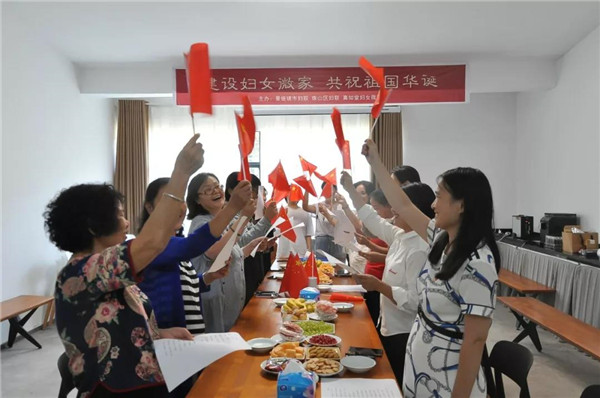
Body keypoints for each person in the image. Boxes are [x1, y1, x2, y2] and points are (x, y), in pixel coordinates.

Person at [46, 135, 249, 397]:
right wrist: (182, 171)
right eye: (119, 215)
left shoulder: (109, 271)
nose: (127, 223)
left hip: (151, 377)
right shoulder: (79, 273)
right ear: (93, 226)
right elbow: (154, 243)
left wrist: (159, 333)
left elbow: (122, 321)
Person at [362, 139, 500, 398]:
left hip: (447, 378)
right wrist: (376, 163)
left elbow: (475, 341)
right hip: (419, 367)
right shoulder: (441, 238)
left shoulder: (478, 263)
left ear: (461, 205)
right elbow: (403, 205)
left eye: (438, 197)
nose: (433, 205)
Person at [341, 172, 435, 386]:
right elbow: (372, 219)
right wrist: (349, 192)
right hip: (389, 324)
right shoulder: (402, 235)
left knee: (399, 381)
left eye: (399, 207)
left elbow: (415, 301)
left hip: (405, 332)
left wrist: (379, 286)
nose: (393, 211)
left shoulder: (419, 248)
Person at [136, 177, 250, 335]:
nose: (177, 206)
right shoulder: (151, 245)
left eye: (180, 199)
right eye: (170, 200)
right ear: (149, 207)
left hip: (190, 340)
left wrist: (208, 277)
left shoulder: (175, 242)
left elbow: (187, 285)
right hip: (171, 346)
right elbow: (195, 244)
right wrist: (233, 208)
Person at [186, 173, 278, 332]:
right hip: (215, 300)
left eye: (217, 186)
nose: (216, 191)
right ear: (196, 199)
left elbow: (232, 254)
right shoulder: (200, 222)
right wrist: (243, 217)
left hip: (231, 299)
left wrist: (252, 246)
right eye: (208, 190)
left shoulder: (221, 220)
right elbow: (216, 252)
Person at [301, 183, 346, 262]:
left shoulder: (340, 206)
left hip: (336, 240)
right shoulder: (319, 205)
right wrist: (307, 189)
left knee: (338, 267)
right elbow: (305, 207)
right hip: (321, 239)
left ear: (336, 192)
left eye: (331, 190)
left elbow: (338, 225)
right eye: (326, 190)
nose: (329, 192)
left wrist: (327, 212)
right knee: (322, 266)